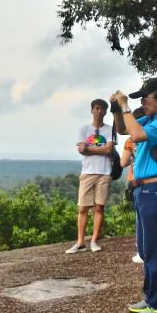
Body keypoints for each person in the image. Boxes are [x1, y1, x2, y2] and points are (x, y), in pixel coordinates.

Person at [111, 77, 157, 313]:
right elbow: (123, 130)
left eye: (146, 97)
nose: (142, 101)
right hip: (144, 190)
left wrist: (127, 107)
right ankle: (151, 296)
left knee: (156, 248)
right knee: (145, 248)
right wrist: (117, 110)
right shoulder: (151, 118)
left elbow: (138, 135)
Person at [66, 99, 115, 254]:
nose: (99, 112)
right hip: (88, 172)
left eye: (102, 109)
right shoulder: (84, 129)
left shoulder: (110, 129)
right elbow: (81, 150)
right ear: (92, 110)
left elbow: (109, 150)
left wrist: (89, 148)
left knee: (99, 207)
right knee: (82, 208)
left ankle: (93, 240)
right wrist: (99, 148)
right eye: (97, 108)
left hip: (104, 172)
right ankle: (80, 242)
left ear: (106, 112)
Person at [120, 107, 147, 263]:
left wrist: (133, 158)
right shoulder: (152, 136)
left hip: (135, 179)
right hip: (155, 179)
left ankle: (141, 250)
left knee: (140, 217)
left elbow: (123, 162)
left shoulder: (131, 140)